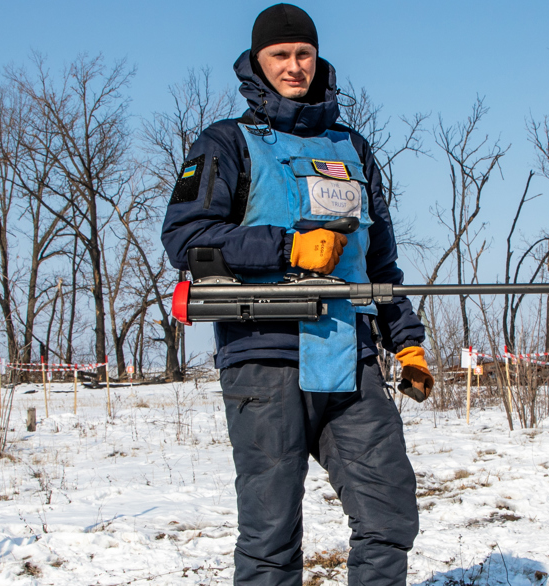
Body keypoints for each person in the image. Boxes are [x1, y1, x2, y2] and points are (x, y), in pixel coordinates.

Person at [160, 4, 435, 585]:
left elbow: (378, 262)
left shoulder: (351, 148)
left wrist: (406, 343)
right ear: (257, 63)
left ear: (318, 58)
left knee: (389, 515)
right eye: (280, 55)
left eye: (303, 54)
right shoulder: (226, 142)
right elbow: (185, 238)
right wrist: (288, 248)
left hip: (348, 355)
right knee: (270, 534)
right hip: (264, 359)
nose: (294, 66)